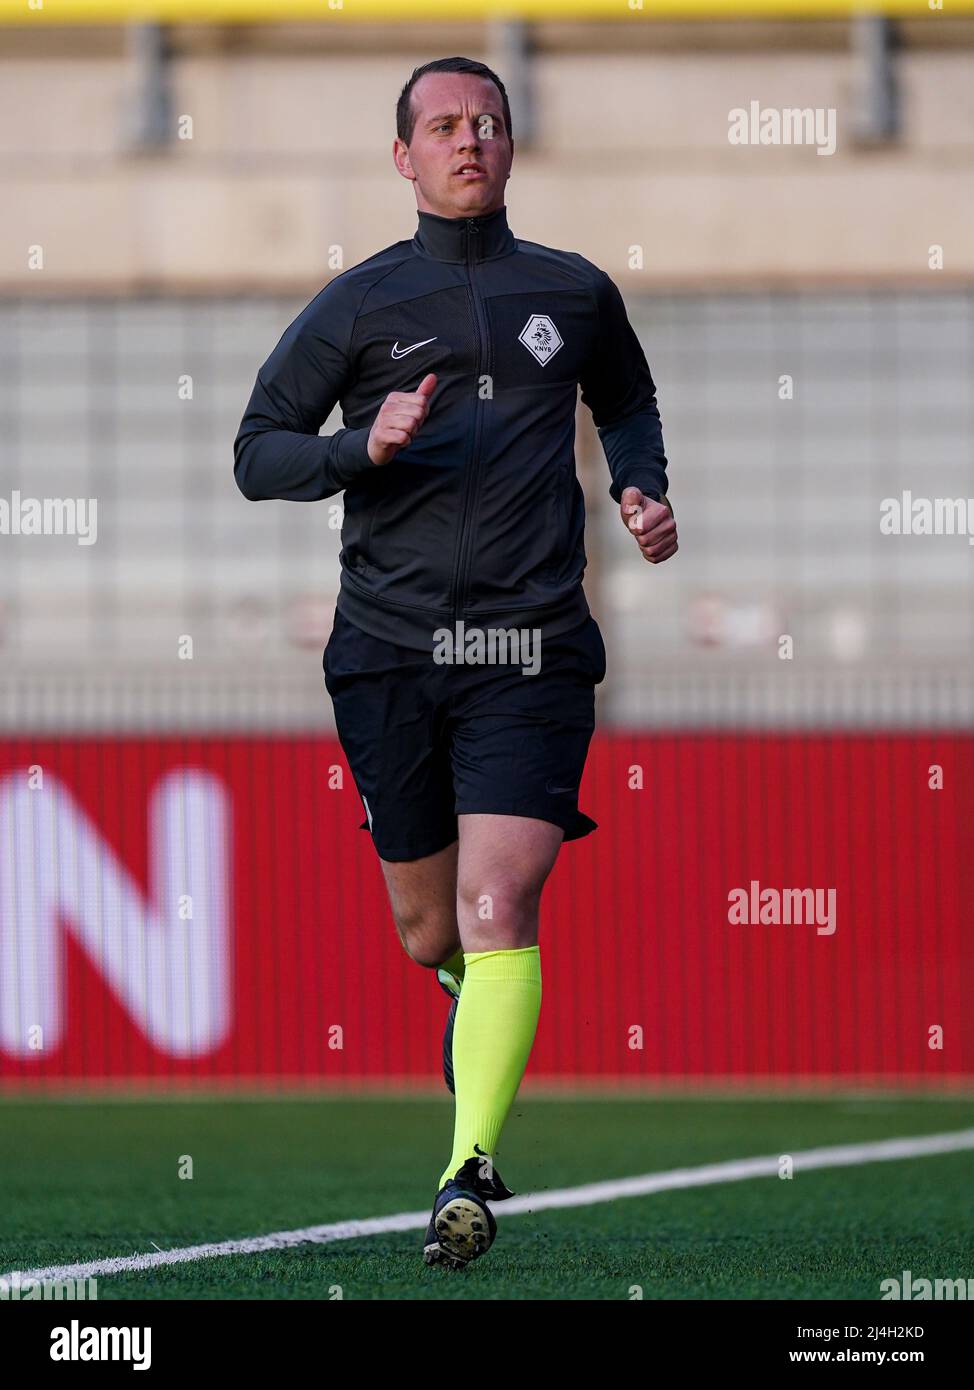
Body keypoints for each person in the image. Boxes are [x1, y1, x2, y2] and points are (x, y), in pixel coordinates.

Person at [234, 55, 677, 1270]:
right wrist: (352, 448)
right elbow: (255, 451)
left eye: (486, 121)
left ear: (510, 145)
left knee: (500, 900)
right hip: (387, 650)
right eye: (441, 125)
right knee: (429, 931)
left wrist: (642, 484)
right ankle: (467, 1002)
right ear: (404, 158)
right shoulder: (357, 306)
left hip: (530, 647)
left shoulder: (573, 292)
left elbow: (628, 400)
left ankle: (465, 1166)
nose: (467, 138)